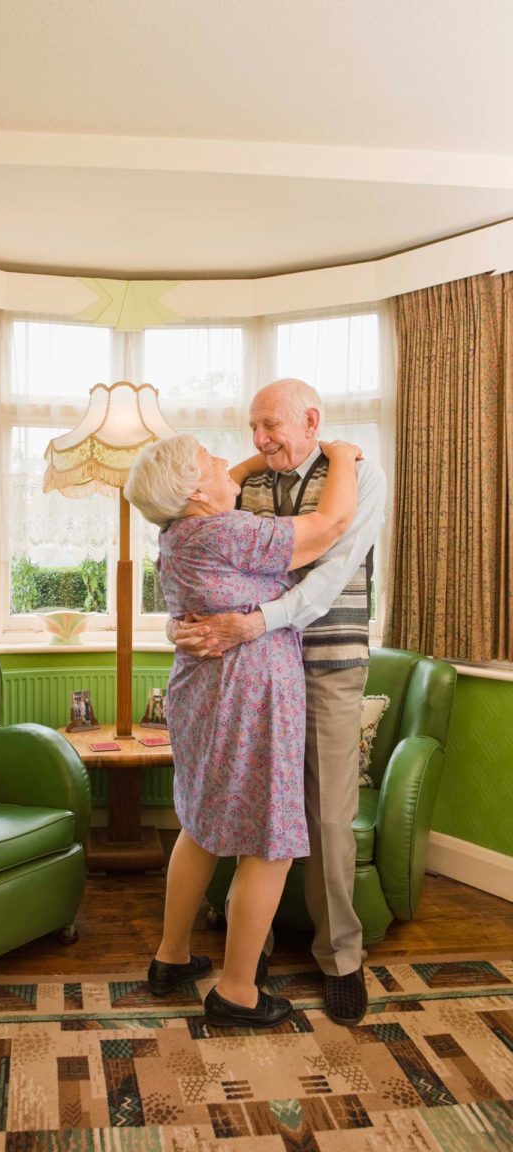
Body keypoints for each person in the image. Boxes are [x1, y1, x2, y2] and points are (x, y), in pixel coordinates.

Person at [170, 378, 387, 1026]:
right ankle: (250, 952)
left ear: (311, 419)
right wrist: (183, 624)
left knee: (326, 820)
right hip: (256, 672)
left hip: (325, 662)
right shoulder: (248, 481)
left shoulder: (359, 476)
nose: (262, 439)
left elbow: (328, 573)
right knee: (252, 807)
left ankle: (340, 958)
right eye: (253, 428)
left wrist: (258, 621)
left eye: (272, 426)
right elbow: (202, 551)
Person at [124, 432, 360, 1029]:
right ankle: (235, 991)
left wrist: (262, 456)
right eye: (210, 458)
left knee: (201, 828)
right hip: (248, 699)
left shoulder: (176, 535)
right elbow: (330, 525)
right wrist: (340, 456)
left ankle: (170, 958)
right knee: (270, 842)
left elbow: (224, 475)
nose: (226, 462)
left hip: (202, 696)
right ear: (196, 490)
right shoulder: (226, 529)